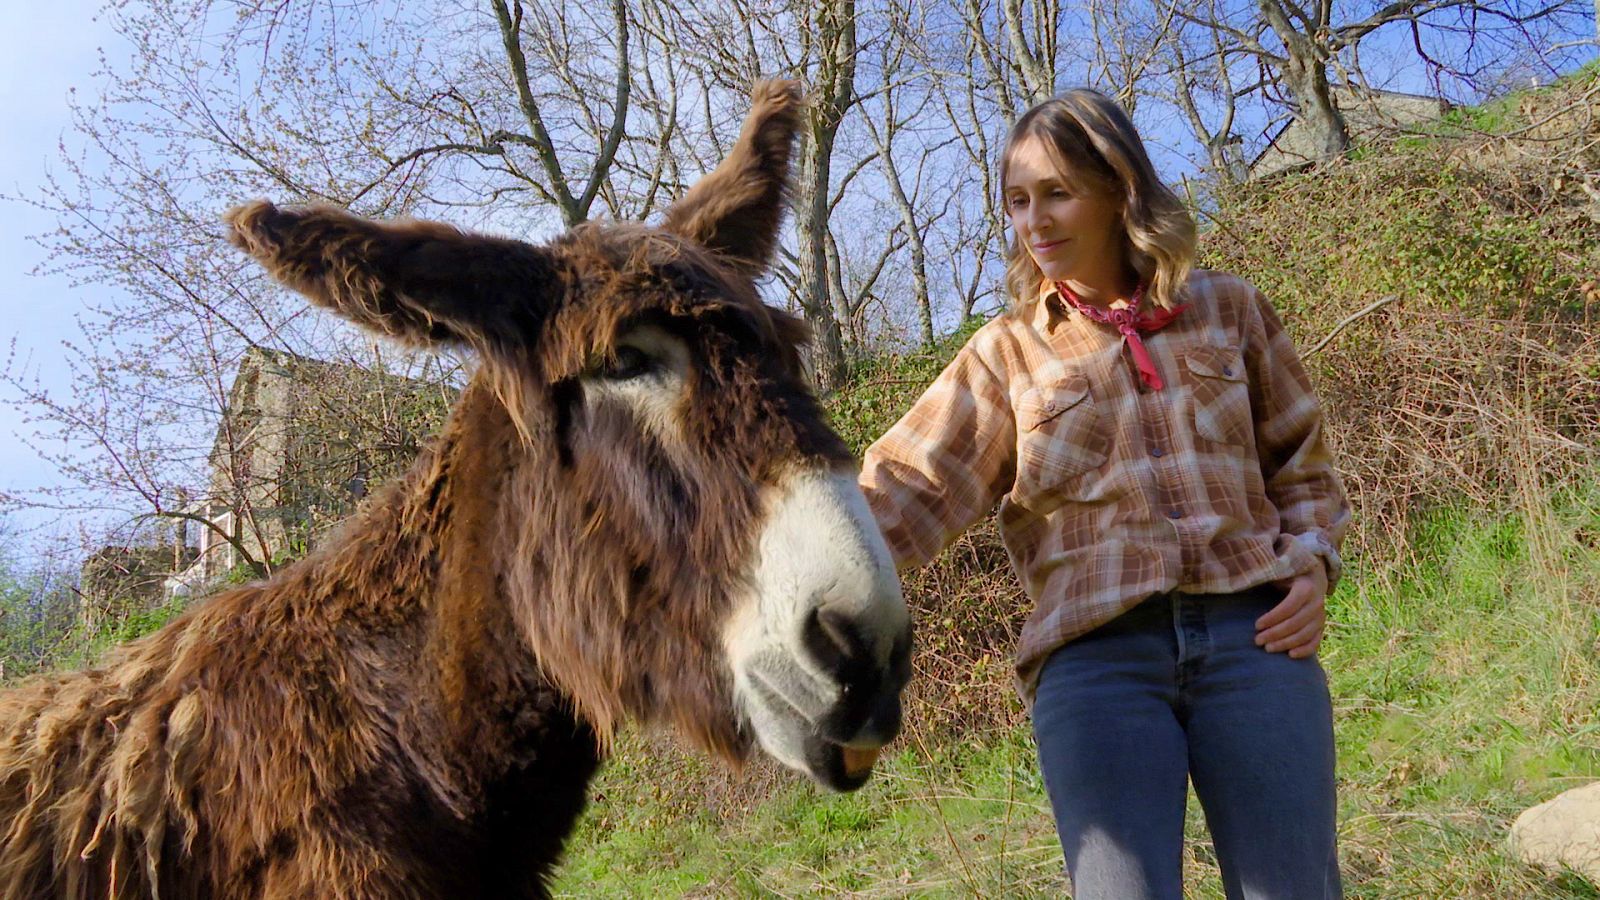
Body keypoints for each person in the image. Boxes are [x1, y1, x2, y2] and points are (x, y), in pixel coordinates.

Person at [858, 88, 1349, 899]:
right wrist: (782, 542)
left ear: (1121, 190)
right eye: (1017, 200)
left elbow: (1302, 464)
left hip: (1255, 639)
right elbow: (905, 489)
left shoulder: (1230, 310)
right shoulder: (1005, 354)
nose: (1034, 221)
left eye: (1057, 193)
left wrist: (1314, 559)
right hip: (1096, 661)